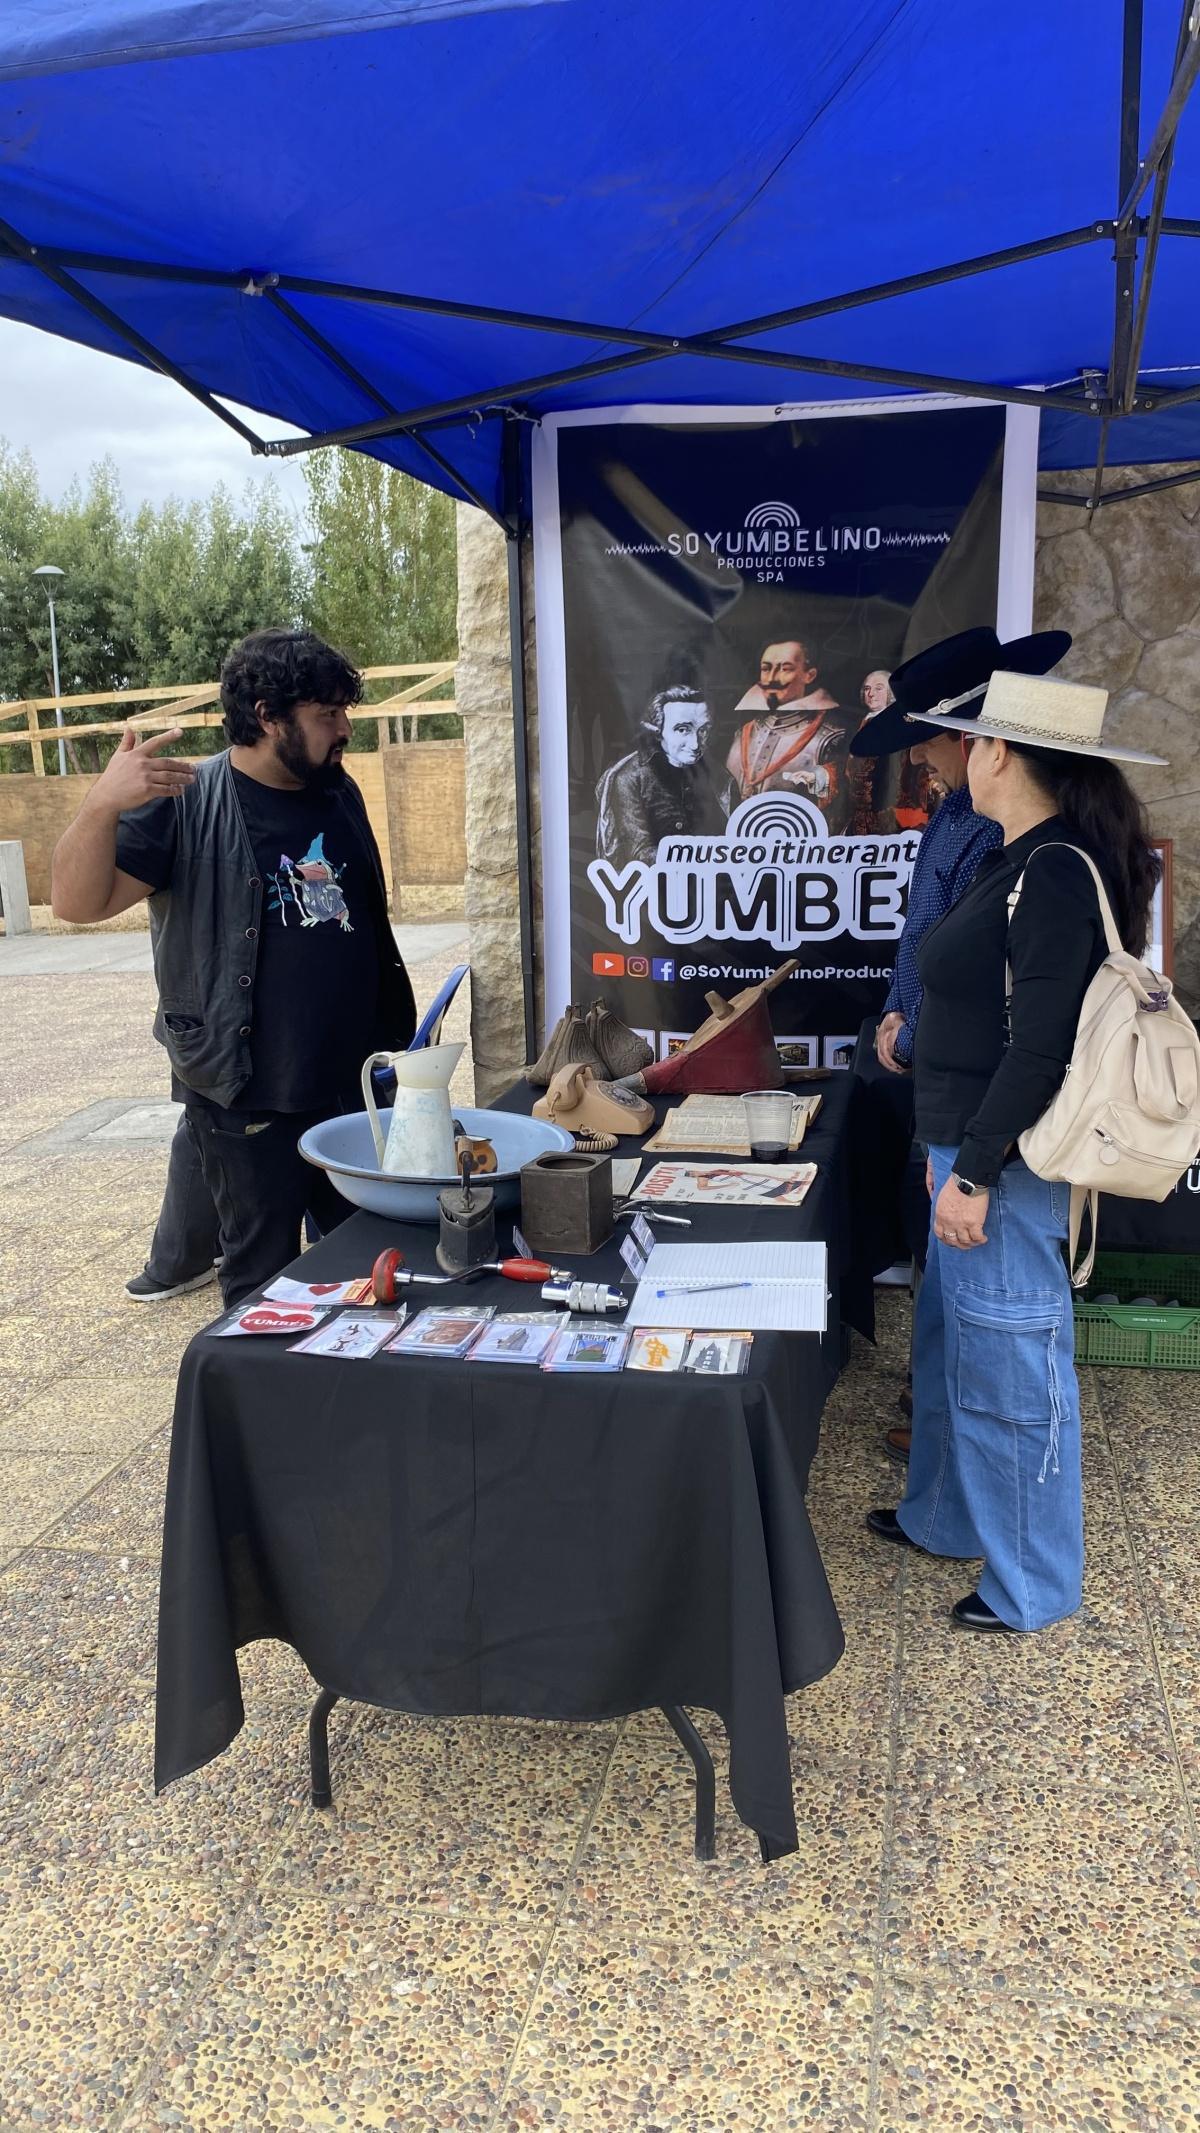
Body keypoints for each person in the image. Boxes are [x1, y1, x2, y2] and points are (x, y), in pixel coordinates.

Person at [866, 668, 1164, 1633]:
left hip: (1006, 1164)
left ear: (1002, 753)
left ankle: (1032, 1585)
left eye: (975, 741)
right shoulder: (1012, 852)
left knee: (1013, 1376)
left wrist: (976, 1169)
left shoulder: (1054, 874)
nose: (961, 755)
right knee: (962, 1358)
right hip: (962, 1144)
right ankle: (946, 1519)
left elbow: (1037, 1048)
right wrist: (944, 1146)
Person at [51, 628, 415, 1308]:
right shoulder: (183, 801)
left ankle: (350, 1402)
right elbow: (76, 903)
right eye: (326, 715)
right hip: (246, 1094)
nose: (344, 730)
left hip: (352, 1085)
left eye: (344, 712)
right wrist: (101, 804)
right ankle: (270, 1406)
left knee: (371, 1264)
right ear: (268, 715)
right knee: (262, 1280)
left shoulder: (339, 793)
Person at [850, 629, 1070, 1460]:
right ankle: (939, 1471)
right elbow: (926, 936)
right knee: (940, 1264)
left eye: (934, 742)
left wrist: (914, 1024)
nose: (931, 763)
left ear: (982, 741)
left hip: (973, 1089)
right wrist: (899, 1014)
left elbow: (983, 976)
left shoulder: (1025, 851)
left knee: (991, 1315)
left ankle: (963, 1460)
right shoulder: (957, 815)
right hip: (934, 1068)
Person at [725, 638, 857, 826]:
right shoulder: (743, 733)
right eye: (766, 668)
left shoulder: (831, 737)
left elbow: (843, 807)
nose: (772, 679)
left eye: (785, 669)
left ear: (809, 675)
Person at [595, 686, 726, 866]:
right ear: (657, 731)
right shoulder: (630, 778)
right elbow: (638, 852)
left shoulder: (717, 774)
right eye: (682, 730)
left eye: (703, 730)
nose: (695, 744)